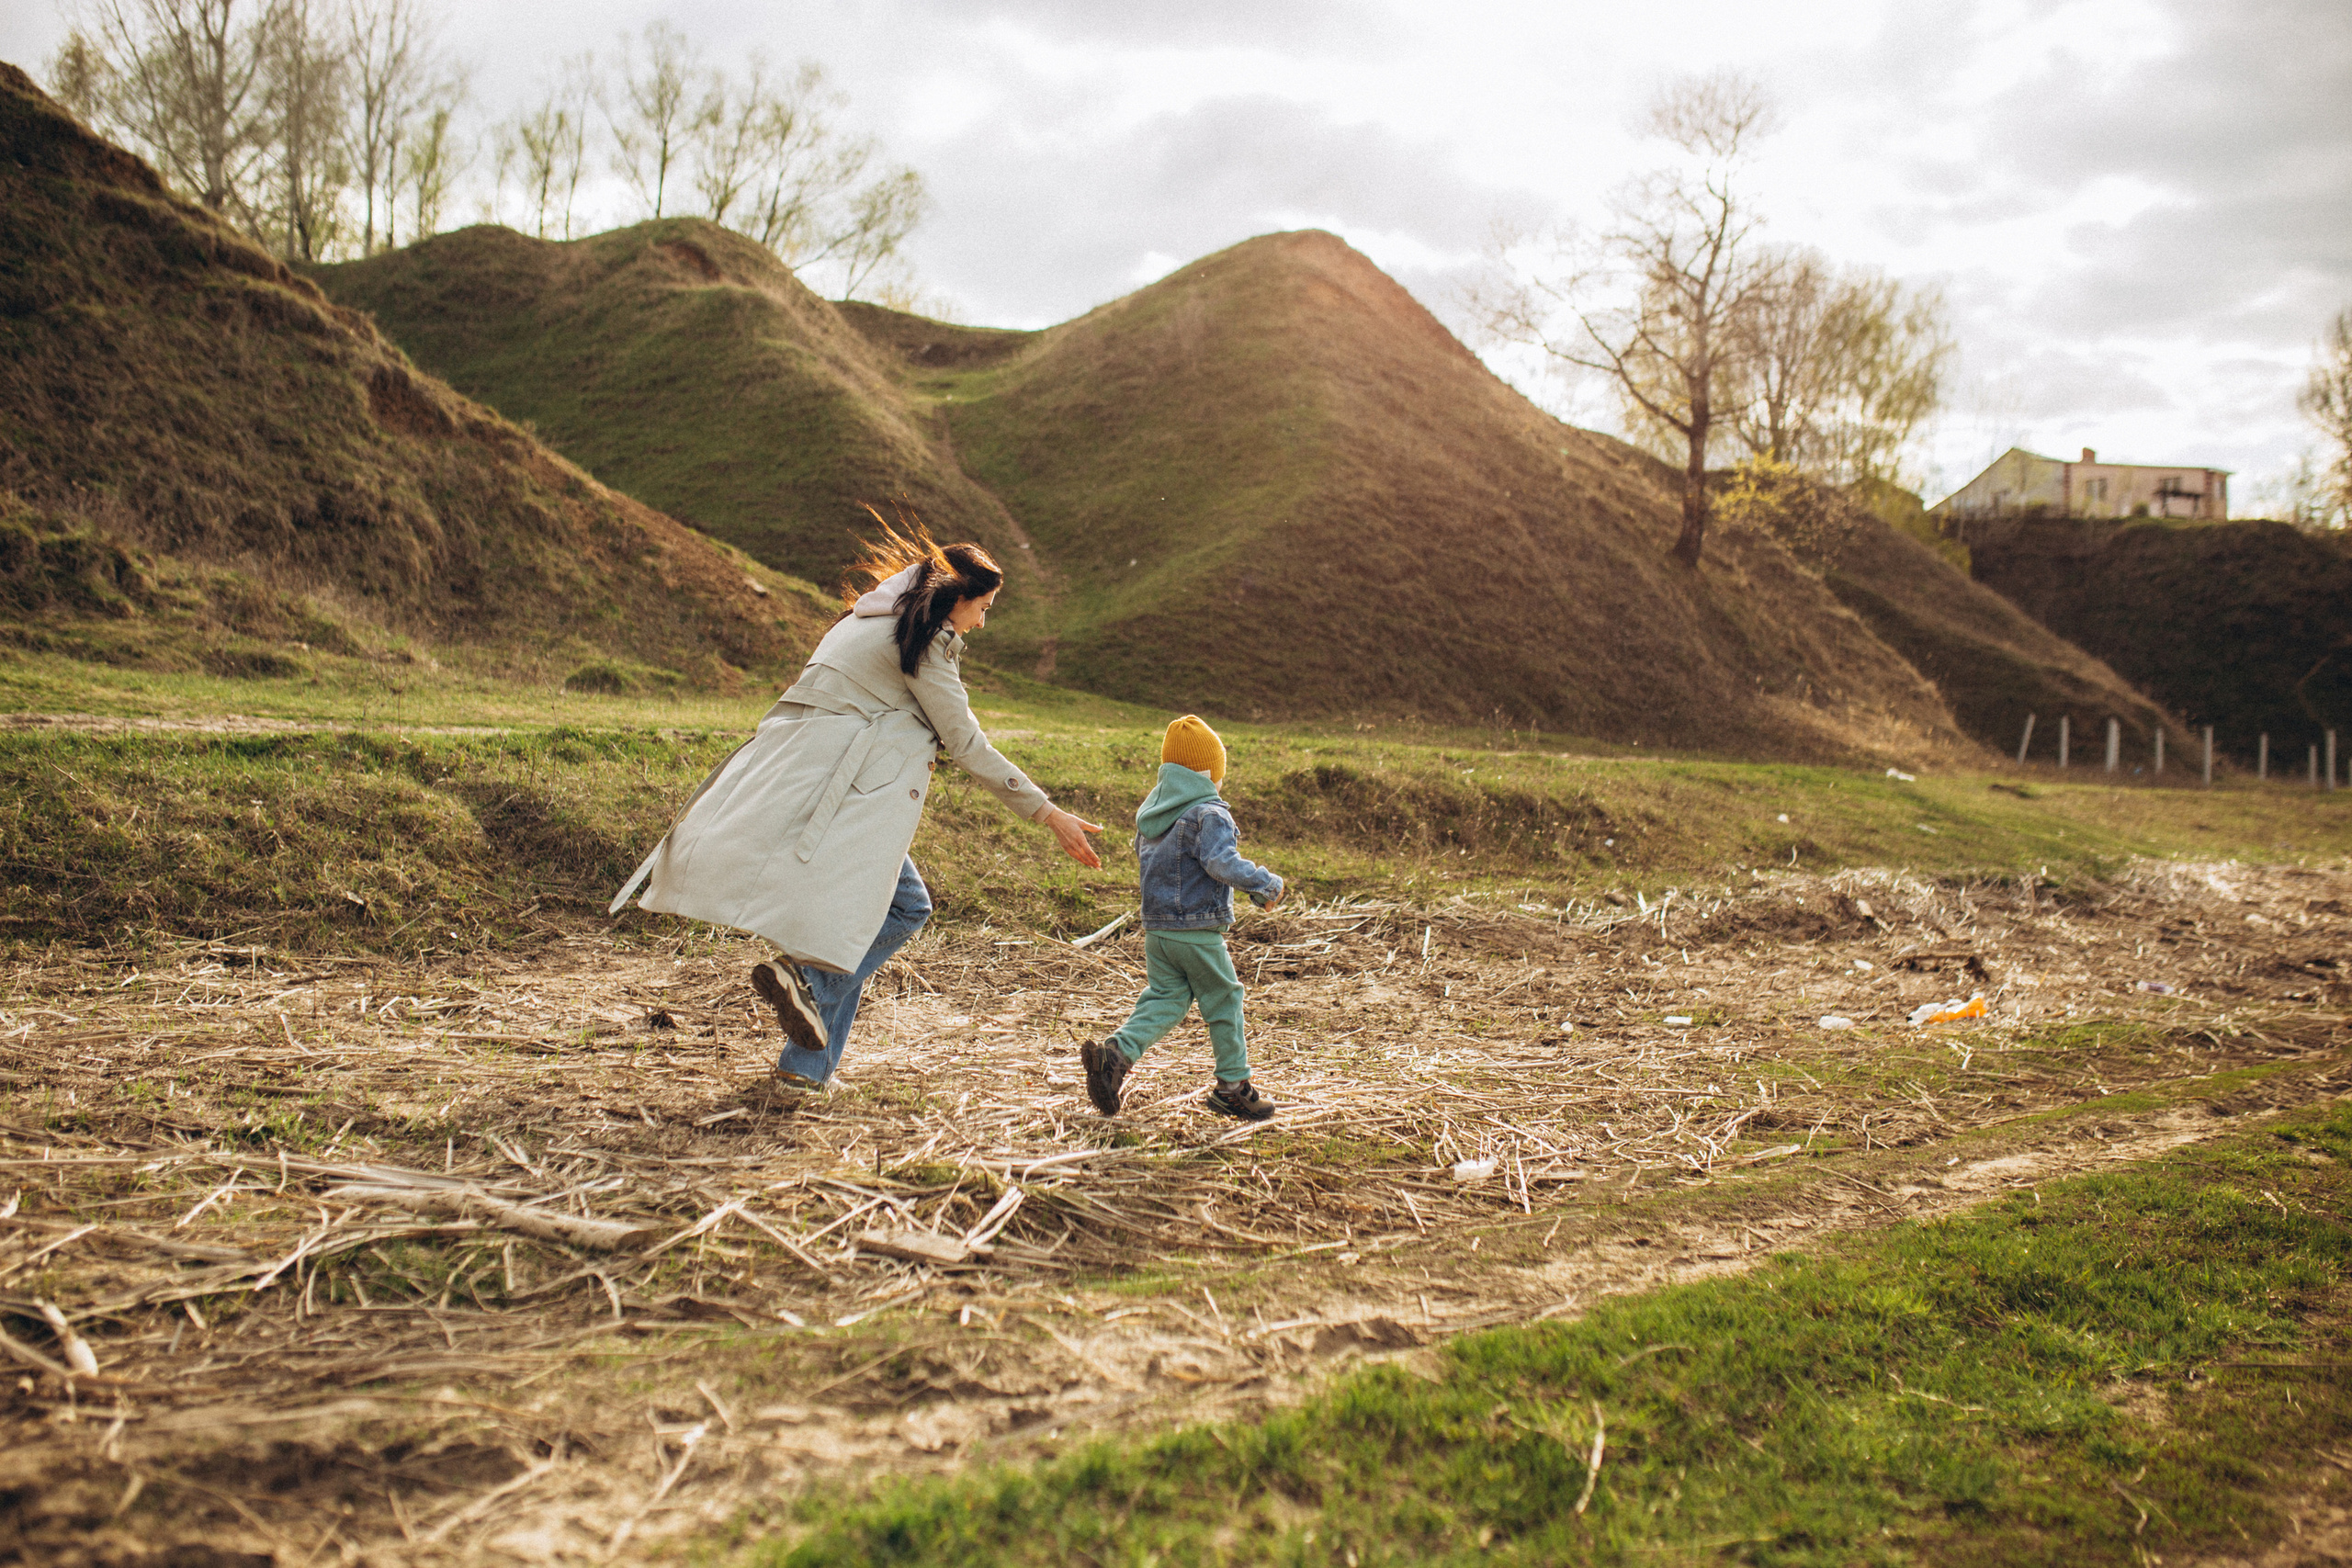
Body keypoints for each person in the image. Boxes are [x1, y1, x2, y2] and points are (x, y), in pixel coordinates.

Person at [610, 525, 1103, 1086]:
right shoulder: (924, 644)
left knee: (855, 928)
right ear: (957, 599)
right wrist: (1049, 813)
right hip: (843, 790)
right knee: (904, 909)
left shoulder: (861, 621)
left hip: (793, 771)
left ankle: (804, 1071)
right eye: (983, 607)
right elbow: (966, 741)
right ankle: (808, 984)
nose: (983, 622)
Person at [1080, 715, 1283, 1122]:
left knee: (1168, 998)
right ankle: (1233, 1087)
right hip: (1195, 931)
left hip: (1157, 932)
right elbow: (1220, 861)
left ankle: (1116, 1056)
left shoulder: (1153, 816)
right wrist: (1264, 884)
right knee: (1224, 999)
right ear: (1208, 773)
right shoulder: (1209, 813)